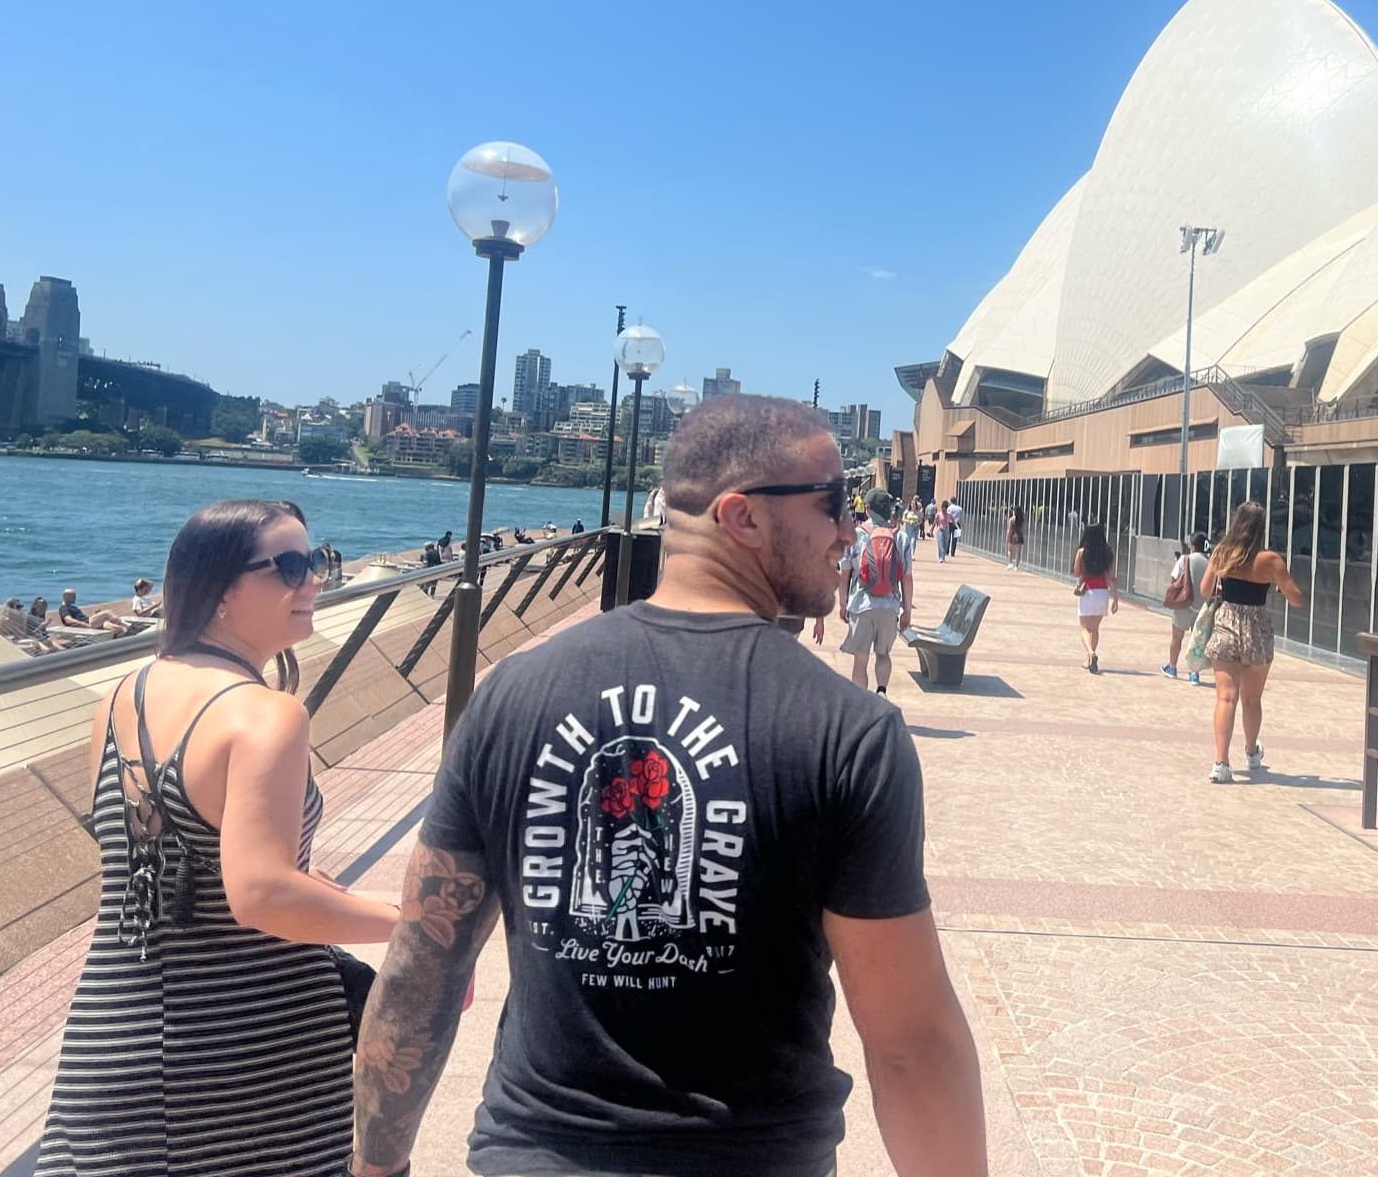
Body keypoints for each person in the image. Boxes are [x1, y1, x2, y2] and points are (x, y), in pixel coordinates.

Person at [348, 393, 983, 1177]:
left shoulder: (513, 693)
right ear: (742, 517)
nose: (851, 530)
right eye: (833, 503)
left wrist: (376, 1166)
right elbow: (910, 1044)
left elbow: (422, 966)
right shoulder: (844, 730)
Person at [36, 499, 400, 1176]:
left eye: (315, 562)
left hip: (111, 1040)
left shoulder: (121, 699)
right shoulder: (266, 715)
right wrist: (415, 929)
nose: (314, 580)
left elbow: (156, 852)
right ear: (222, 588)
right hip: (246, 1059)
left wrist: (298, 877)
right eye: (291, 566)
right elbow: (260, 895)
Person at [1199, 499, 1304, 784]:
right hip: (1257, 629)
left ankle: (1221, 763)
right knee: (1251, 699)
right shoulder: (1270, 560)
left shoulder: (1222, 552)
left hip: (1226, 626)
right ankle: (1251, 752)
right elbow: (1296, 598)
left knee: (1225, 697)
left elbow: (1205, 589)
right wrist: (1278, 586)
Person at [838, 487, 915, 696]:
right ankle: (881, 691)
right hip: (889, 606)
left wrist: (843, 604)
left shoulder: (855, 535)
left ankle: (862, 702)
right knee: (883, 654)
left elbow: (844, 574)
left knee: (860, 658)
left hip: (861, 604)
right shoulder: (901, 538)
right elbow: (907, 578)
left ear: (868, 509)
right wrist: (907, 611)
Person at [1161, 533, 1211, 684]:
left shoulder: (1185, 559)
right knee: (1197, 641)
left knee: (1176, 638)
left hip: (1184, 604)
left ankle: (1172, 667)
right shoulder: (1209, 562)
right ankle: (1194, 673)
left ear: (1192, 545)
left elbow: (1174, 579)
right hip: (1202, 607)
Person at [1071, 522, 1116, 674]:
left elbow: (1076, 572)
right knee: (1095, 629)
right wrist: (1115, 599)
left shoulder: (1082, 552)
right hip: (1103, 593)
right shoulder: (1108, 553)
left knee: (1084, 628)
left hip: (1088, 592)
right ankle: (1089, 660)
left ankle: (1091, 653)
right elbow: (1111, 578)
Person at [59, 587, 129, 638]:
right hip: (87, 624)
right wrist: (85, 625)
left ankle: (117, 641)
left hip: (88, 621)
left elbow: (80, 617)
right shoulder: (64, 608)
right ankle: (125, 623)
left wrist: (95, 615)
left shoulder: (72, 607)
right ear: (66, 596)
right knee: (107, 613)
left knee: (120, 629)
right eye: (73, 596)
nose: (75, 597)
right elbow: (69, 621)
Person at [1005, 506, 1025, 571]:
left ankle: (1010, 563)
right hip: (1019, 535)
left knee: (1010, 550)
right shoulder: (1022, 520)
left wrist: (1007, 537)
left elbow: (1009, 529)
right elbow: (1022, 529)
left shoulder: (1011, 519)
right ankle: (1016, 566)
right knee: (1018, 552)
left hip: (1012, 535)